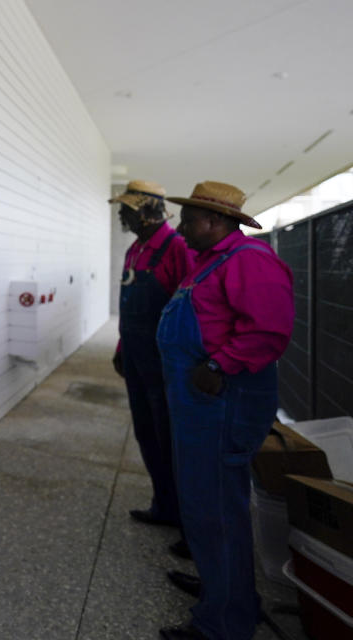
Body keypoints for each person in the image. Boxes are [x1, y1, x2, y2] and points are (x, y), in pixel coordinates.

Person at [156, 181, 294, 640]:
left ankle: (224, 622)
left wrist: (219, 363)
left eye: (189, 219)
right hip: (197, 408)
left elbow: (270, 330)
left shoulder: (249, 261)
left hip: (222, 407)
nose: (181, 227)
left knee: (217, 511)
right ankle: (223, 590)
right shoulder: (208, 262)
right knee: (203, 507)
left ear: (216, 221)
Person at [110, 180, 191, 529]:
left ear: (147, 210)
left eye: (126, 208)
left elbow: (190, 310)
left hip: (163, 361)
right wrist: (121, 347)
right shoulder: (134, 249)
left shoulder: (178, 248)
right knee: (145, 431)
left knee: (169, 437)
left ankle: (186, 519)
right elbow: (129, 306)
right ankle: (164, 505)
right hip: (134, 353)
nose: (120, 214)